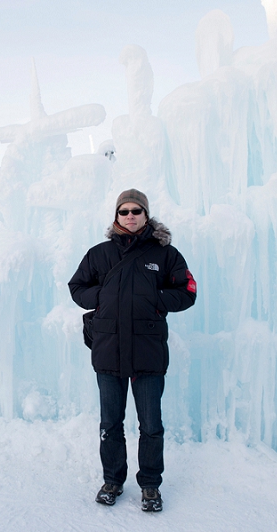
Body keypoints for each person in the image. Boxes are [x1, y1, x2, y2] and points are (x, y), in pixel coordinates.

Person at [68, 189, 197, 512]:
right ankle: (112, 480)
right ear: (116, 215)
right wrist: (103, 297)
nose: (130, 216)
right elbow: (77, 286)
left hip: (148, 350)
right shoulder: (99, 254)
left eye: (136, 211)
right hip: (108, 349)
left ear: (146, 215)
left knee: (151, 424)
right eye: (124, 211)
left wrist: (154, 299)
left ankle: (150, 485)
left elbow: (188, 291)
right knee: (110, 423)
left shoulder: (165, 255)